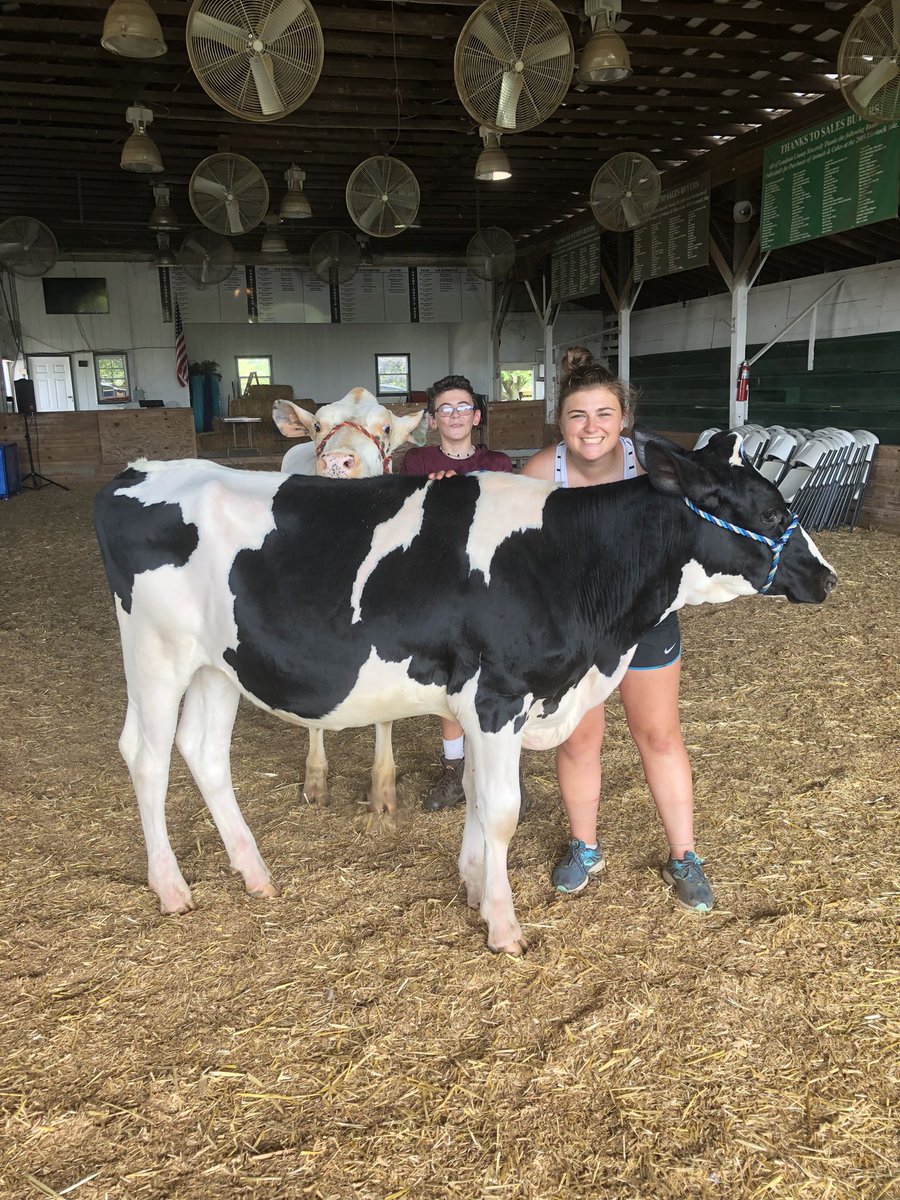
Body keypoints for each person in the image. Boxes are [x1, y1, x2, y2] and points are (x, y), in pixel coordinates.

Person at [522, 346, 714, 913]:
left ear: (623, 417)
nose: (591, 427)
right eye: (577, 414)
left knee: (658, 735)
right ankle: (584, 847)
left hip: (646, 620)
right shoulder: (539, 472)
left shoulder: (656, 467)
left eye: (604, 413)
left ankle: (685, 855)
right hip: (574, 626)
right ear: (560, 421)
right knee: (579, 739)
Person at [400, 374, 515, 812]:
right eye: (445, 409)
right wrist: (435, 491)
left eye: (463, 407)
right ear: (432, 419)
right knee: (451, 678)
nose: (455, 415)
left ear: (477, 416)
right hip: (439, 583)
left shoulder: (499, 463)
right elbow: (407, 519)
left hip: (491, 583)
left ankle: (501, 769)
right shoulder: (417, 462)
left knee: (500, 675)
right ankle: (454, 771)